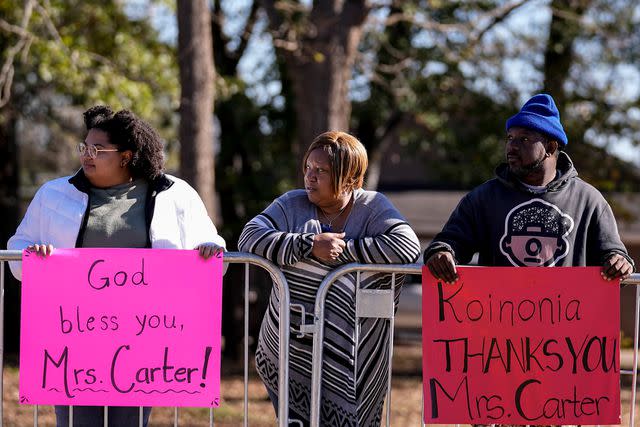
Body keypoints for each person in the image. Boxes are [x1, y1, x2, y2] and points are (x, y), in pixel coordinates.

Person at [7, 106, 226, 427]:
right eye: (84, 147)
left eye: (98, 149)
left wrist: (209, 253)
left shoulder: (177, 196)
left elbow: (212, 252)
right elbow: (17, 249)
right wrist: (35, 259)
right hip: (72, 340)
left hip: (145, 340)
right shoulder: (53, 195)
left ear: (126, 156)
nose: (87, 155)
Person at [238, 131, 421, 426]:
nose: (310, 177)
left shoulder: (371, 206)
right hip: (291, 350)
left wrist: (342, 252)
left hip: (355, 351)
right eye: (308, 168)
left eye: (321, 171)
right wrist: (308, 245)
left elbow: (407, 247)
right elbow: (250, 237)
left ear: (349, 178)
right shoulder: (292, 203)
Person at [425, 94, 634, 287]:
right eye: (509, 138)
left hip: (566, 322)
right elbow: (449, 242)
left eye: (524, 139)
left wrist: (619, 263)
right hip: (500, 321)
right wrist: (442, 253)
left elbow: (614, 255)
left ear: (551, 147)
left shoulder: (588, 201)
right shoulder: (484, 198)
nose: (511, 147)